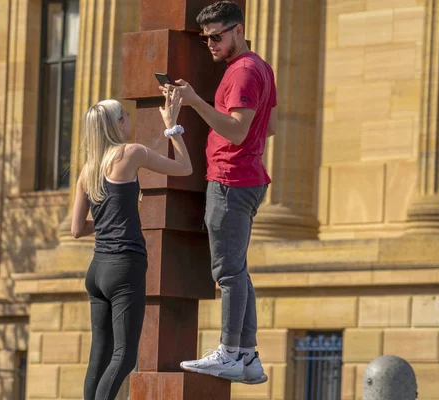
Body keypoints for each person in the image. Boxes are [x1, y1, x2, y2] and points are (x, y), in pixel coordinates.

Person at [164, 1, 277, 385]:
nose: (210, 44)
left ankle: (230, 353)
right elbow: (269, 125)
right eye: (205, 38)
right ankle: (247, 357)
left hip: (231, 180)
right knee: (238, 271)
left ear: (238, 30)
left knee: (227, 273)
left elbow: (238, 131)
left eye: (217, 36)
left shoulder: (243, 72)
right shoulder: (259, 66)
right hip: (247, 178)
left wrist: (196, 102)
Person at [71, 89, 192, 400]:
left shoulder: (87, 172)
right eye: (124, 116)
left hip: (96, 271)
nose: (129, 120)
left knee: (99, 354)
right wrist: (173, 127)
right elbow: (184, 167)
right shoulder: (130, 153)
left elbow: (76, 229)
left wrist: (110, 216)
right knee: (124, 355)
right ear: (115, 125)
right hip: (125, 266)